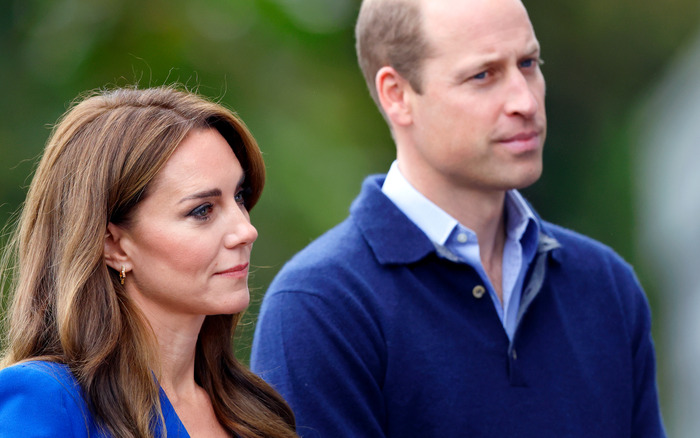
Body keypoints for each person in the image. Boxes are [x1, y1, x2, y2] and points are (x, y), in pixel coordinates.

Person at [250, 0, 666, 437]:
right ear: (398, 94)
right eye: (482, 75)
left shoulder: (606, 287)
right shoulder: (322, 308)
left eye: (528, 63)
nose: (524, 100)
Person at [0, 86, 297, 437]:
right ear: (113, 244)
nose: (245, 230)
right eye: (202, 210)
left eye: (240, 197)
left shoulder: (256, 408)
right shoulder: (45, 402)